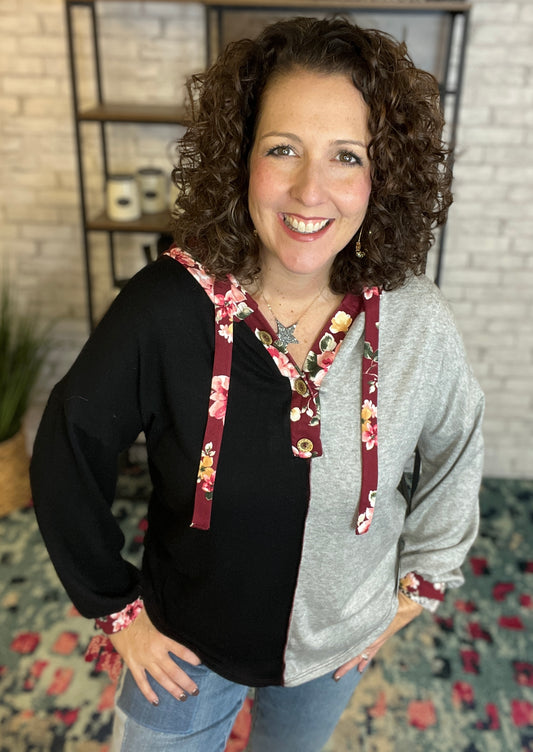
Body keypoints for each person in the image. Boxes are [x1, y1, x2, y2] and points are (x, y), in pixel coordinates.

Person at [30, 16, 484, 752]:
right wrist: (117, 610)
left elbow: (457, 449)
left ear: (382, 174)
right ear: (241, 159)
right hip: (183, 645)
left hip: (335, 646)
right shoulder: (166, 307)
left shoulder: (416, 321)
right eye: (282, 149)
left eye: (345, 156)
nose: (311, 189)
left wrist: (411, 593)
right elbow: (67, 448)